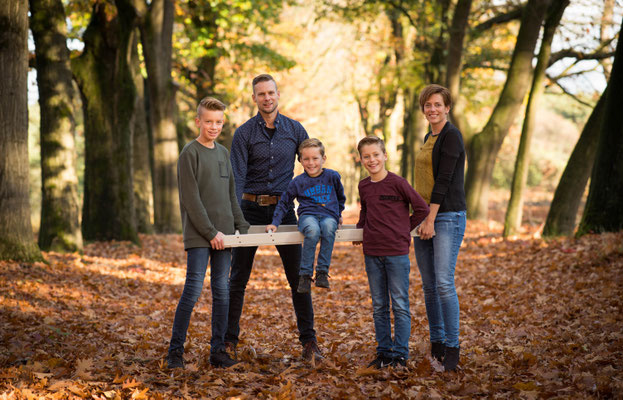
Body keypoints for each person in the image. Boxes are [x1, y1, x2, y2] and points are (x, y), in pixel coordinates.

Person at [226, 74, 322, 361]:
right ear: (254, 98)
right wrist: (234, 216)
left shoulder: (295, 129)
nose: (266, 98)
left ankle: (309, 342)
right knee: (237, 278)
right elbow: (238, 177)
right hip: (249, 210)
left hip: (283, 211)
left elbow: (311, 169)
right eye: (261, 94)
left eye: (271, 93)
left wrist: (316, 208)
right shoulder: (243, 133)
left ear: (278, 95)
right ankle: (228, 341)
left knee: (299, 277)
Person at [166, 97, 250, 369]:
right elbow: (191, 200)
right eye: (209, 122)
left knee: (222, 291)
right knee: (192, 290)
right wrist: (210, 232)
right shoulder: (189, 154)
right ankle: (175, 353)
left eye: (218, 122)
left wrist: (243, 229)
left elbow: (230, 197)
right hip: (200, 236)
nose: (214, 127)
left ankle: (218, 352)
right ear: (198, 121)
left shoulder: (223, 153)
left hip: (224, 236)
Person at [355, 136, 429, 369]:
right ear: (361, 160)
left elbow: (421, 208)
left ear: (385, 155)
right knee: (379, 305)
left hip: (396, 253)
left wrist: (403, 230)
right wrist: (361, 228)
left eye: (376, 155)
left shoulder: (398, 183)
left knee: (399, 303)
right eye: (366, 156)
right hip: (372, 252)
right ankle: (383, 352)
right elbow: (365, 211)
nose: (372, 160)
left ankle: (400, 354)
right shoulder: (364, 186)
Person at [413, 84, 467, 372]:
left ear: (447, 107)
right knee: (429, 285)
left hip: (446, 217)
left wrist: (431, 218)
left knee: (444, 283)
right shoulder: (428, 136)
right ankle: (437, 343)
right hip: (425, 217)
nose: (432, 109)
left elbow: (444, 181)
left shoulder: (451, 136)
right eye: (427, 105)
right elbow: (422, 181)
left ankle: (452, 347)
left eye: (437, 104)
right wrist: (419, 216)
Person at [266, 138, 346, 293]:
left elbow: (340, 197)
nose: (311, 163)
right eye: (306, 159)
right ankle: (305, 274)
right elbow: (284, 202)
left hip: (329, 215)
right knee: (313, 230)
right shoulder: (298, 182)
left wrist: (339, 213)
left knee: (329, 227)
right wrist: (275, 223)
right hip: (307, 216)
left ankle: (322, 272)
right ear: (300, 160)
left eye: (315, 158)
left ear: (323, 159)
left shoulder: (332, 176)